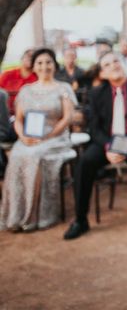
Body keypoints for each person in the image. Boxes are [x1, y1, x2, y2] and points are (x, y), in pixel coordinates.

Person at [63, 52, 127, 239]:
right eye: (107, 64)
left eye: (116, 61)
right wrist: (110, 147)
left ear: (123, 64)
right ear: (103, 73)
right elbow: (95, 128)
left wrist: (125, 147)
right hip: (107, 142)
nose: (113, 65)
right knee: (85, 161)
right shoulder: (97, 94)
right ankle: (81, 219)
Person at [0, 48, 77, 231]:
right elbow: (19, 120)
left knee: (36, 155)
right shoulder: (26, 91)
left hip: (55, 137)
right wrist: (23, 136)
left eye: (48, 62)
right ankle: (15, 215)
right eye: (40, 63)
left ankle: (36, 216)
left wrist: (49, 135)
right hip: (29, 137)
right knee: (17, 155)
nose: (44, 66)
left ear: (54, 65)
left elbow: (67, 118)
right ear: (34, 67)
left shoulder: (63, 88)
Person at [0, 48, 37, 114]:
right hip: (5, 114)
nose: (31, 58)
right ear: (22, 58)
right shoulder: (7, 75)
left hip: (27, 114)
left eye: (34, 56)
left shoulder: (38, 78)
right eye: (29, 55)